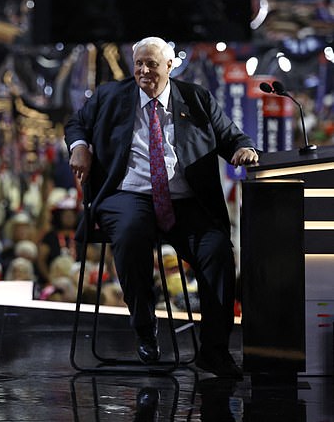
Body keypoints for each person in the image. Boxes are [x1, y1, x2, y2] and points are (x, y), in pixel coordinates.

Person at [64, 37, 258, 379]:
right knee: (131, 234)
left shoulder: (197, 99)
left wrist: (244, 150)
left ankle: (214, 351)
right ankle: (145, 327)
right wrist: (79, 146)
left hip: (185, 200)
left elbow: (231, 138)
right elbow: (76, 124)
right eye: (138, 63)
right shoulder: (111, 96)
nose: (143, 70)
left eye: (151, 64)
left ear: (170, 66)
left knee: (217, 251)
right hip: (128, 195)